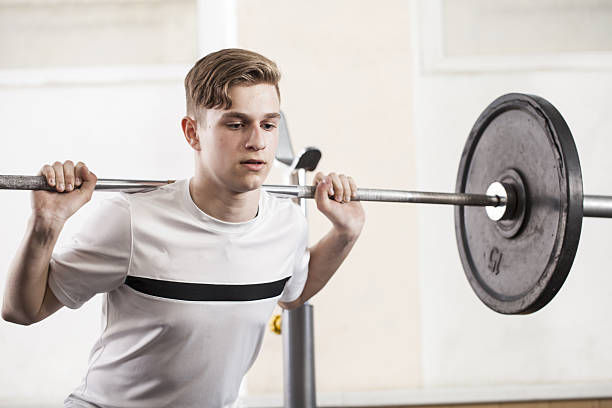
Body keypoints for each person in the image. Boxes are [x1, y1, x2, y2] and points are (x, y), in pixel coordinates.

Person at [1, 48, 365, 407]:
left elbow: (292, 293)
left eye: (268, 124)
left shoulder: (286, 224)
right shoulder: (131, 220)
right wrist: (45, 225)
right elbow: (22, 310)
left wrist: (344, 234)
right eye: (236, 124)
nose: (257, 141)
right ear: (193, 133)